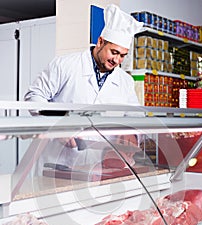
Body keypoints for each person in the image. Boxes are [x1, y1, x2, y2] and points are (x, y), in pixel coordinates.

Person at [24, 4, 144, 173]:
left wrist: (132, 135)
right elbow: (34, 96)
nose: (117, 60)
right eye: (114, 52)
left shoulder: (125, 81)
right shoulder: (66, 65)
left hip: (99, 166)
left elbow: (137, 117)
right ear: (100, 42)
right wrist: (58, 124)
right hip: (58, 162)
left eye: (122, 55)